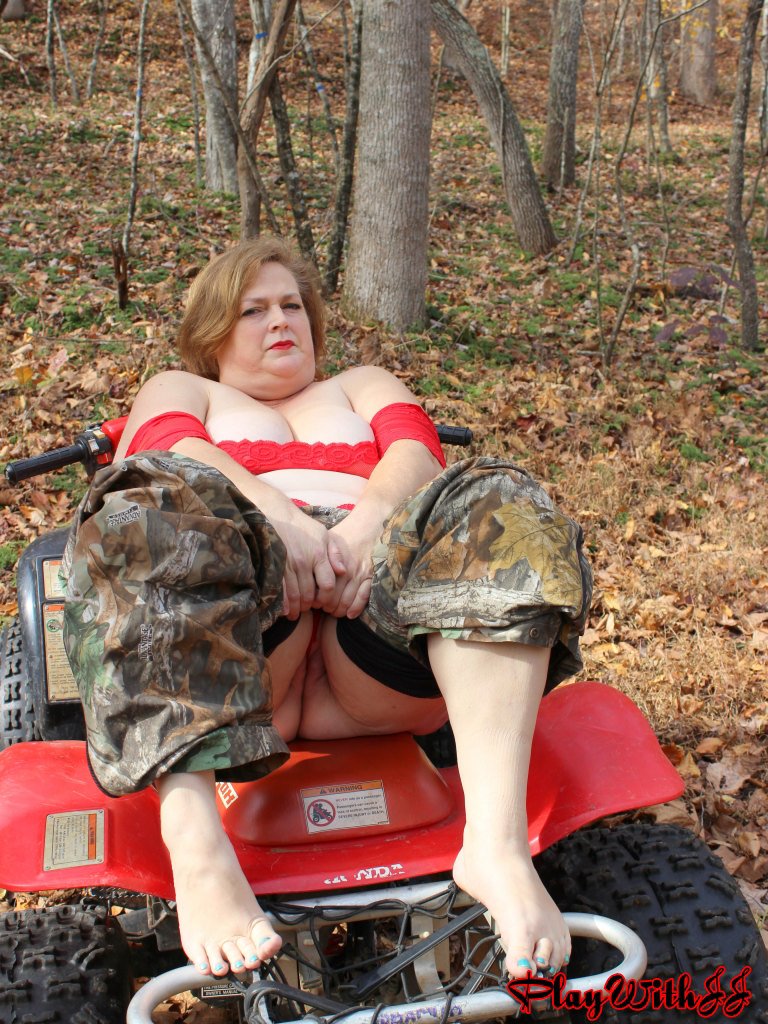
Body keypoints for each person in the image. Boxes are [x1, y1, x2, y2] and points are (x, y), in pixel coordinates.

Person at [62, 237, 592, 986]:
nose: (282, 320)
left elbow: (417, 452)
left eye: (292, 305)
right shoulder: (185, 387)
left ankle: (496, 848)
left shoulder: (360, 384)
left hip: (373, 621)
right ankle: (199, 854)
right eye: (254, 310)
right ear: (213, 332)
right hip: (246, 637)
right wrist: (279, 516)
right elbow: (166, 447)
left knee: (500, 495)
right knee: (137, 507)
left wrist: (362, 529)